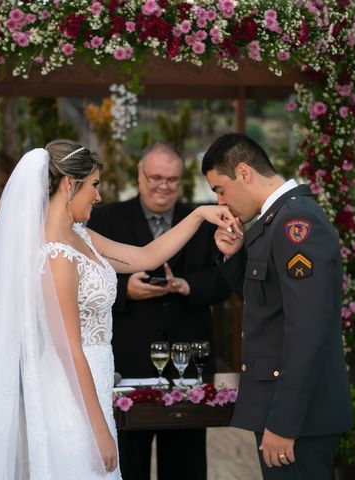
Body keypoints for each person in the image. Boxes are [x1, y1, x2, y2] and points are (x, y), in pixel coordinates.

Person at [0, 140, 241, 479]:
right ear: (69, 185)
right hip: (70, 390)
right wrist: (100, 428)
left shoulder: (81, 236)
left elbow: (146, 257)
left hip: (97, 381)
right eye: (94, 185)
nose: (98, 196)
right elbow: (68, 347)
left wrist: (198, 215)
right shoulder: (57, 255)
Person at [201, 133, 354, 480]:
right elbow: (266, 305)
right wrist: (233, 256)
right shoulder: (273, 222)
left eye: (219, 189)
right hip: (287, 408)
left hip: (298, 416)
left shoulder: (294, 223)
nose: (221, 202)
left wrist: (283, 423)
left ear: (243, 172)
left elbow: (307, 330)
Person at [87, 143, 232, 480]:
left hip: (188, 364)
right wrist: (127, 291)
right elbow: (88, 280)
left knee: (186, 464)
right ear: (139, 176)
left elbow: (225, 281)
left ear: (181, 182)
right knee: (129, 463)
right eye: (155, 177)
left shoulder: (205, 220)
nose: (162, 185)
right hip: (129, 360)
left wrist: (188, 286)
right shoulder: (106, 218)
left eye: (171, 179)